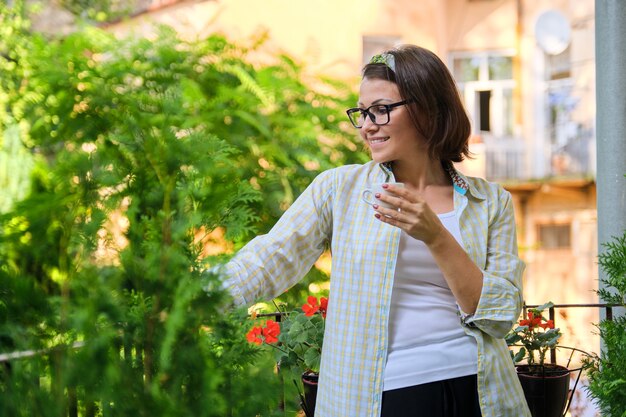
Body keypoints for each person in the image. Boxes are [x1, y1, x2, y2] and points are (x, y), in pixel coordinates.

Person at [217, 45, 531, 417]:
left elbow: (500, 315)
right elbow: (271, 259)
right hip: (385, 394)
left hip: (479, 389)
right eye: (362, 113)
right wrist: (192, 299)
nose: (367, 125)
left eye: (381, 110)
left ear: (429, 107)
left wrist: (435, 235)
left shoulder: (489, 202)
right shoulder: (341, 189)